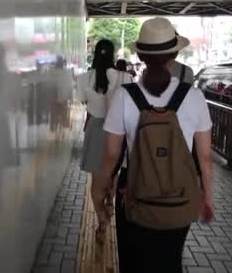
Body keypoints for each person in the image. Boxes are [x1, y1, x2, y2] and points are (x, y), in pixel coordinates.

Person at [91, 18, 215, 273]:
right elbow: (204, 158)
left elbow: (110, 156)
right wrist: (207, 197)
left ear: (141, 55)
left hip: (134, 192)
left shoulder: (125, 96)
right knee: (170, 261)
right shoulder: (194, 97)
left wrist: (99, 192)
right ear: (175, 53)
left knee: (133, 262)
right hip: (180, 193)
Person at [76, 40, 133, 174]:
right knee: (114, 173)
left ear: (95, 54)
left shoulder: (83, 78)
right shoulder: (126, 77)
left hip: (95, 129)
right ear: (112, 55)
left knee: (97, 176)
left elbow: (83, 101)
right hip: (119, 131)